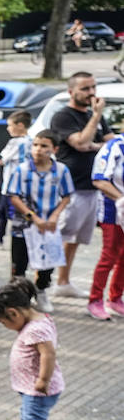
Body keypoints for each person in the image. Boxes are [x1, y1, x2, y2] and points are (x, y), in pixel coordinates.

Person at [0, 279, 67, 420]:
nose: (5, 325)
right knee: (28, 415)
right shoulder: (36, 321)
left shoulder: (36, 328)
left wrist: (43, 380)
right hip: (30, 385)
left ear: (13, 313)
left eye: (3, 322)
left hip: (38, 388)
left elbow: (48, 354)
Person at [50, 72, 117, 299]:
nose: (91, 93)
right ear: (72, 92)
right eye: (85, 88)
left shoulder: (95, 116)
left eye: (93, 87)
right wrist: (96, 117)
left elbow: (113, 145)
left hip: (92, 188)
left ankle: (63, 281)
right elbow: (80, 143)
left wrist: (95, 143)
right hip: (70, 188)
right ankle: (42, 283)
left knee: (76, 238)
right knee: (58, 236)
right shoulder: (63, 116)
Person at [6, 130, 73, 314]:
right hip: (25, 225)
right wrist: (33, 218)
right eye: (35, 145)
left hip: (49, 226)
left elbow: (66, 196)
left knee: (47, 262)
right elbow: (14, 196)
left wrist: (53, 217)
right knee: (19, 263)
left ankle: (41, 290)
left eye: (44, 146)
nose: (38, 150)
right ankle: (18, 297)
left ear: (54, 149)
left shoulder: (60, 170)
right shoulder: (22, 169)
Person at [89, 135, 124, 318]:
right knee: (109, 255)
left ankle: (116, 298)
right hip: (113, 211)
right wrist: (121, 199)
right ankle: (95, 300)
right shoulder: (115, 147)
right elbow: (99, 179)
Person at [0, 109, 34, 249]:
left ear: (20, 125)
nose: (8, 129)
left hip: (11, 185)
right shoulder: (31, 141)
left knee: (7, 213)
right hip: (22, 185)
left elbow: (1, 159)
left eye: (10, 125)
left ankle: (2, 239)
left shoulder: (16, 143)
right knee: (6, 212)